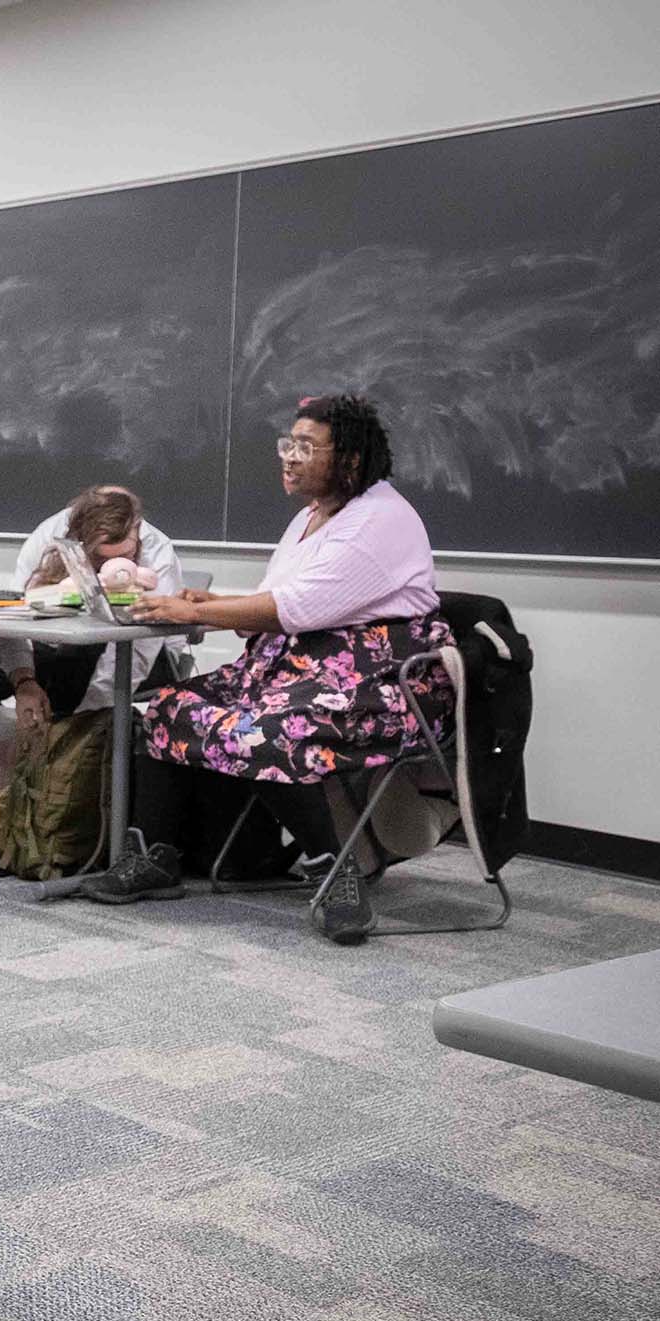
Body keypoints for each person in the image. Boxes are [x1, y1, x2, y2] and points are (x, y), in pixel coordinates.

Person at [81, 394, 453, 943]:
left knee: (272, 731)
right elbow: (282, 600)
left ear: (350, 458)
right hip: (293, 667)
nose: (290, 456)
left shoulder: (379, 519)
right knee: (165, 707)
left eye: (306, 447)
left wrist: (198, 610)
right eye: (288, 443)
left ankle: (335, 868)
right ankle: (156, 858)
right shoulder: (312, 516)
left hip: (377, 680)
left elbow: (292, 609)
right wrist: (207, 602)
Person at [0, 485, 186, 736]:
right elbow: (15, 616)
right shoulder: (53, 532)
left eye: (125, 556)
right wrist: (24, 683)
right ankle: (12, 750)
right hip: (64, 638)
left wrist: (77, 717)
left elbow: (141, 651)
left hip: (146, 651)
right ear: (78, 537)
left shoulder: (157, 552)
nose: (111, 565)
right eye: (100, 559)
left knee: (72, 667)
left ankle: (57, 747)